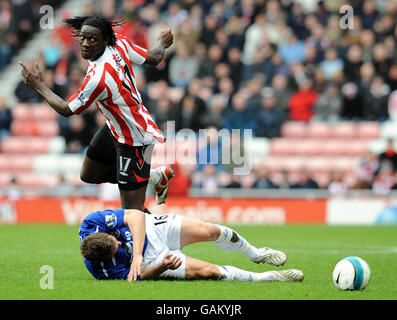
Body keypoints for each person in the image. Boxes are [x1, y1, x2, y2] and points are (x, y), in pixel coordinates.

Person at [19, 15, 175, 208]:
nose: (85, 43)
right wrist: (161, 43)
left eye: (92, 39)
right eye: (82, 38)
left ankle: (142, 188)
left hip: (134, 137)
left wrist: (38, 85)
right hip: (115, 126)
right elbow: (153, 57)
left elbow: (67, 110)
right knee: (89, 175)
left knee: (133, 213)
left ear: (105, 40)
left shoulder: (99, 78)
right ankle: (151, 176)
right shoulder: (120, 43)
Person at [79, 208, 304, 283]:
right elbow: (137, 278)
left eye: (115, 239)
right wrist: (162, 267)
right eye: (117, 247)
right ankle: (271, 277)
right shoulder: (102, 271)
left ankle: (255, 253)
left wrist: (135, 253)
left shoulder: (91, 223)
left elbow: (135, 215)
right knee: (210, 272)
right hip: (152, 260)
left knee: (213, 231)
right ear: (105, 258)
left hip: (150, 229)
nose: (119, 242)